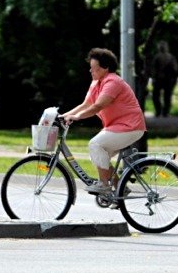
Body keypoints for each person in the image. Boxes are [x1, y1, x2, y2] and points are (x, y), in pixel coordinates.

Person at [60, 48, 146, 195]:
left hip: (130, 127)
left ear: (106, 68)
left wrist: (77, 117)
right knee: (99, 156)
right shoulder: (97, 82)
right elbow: (86, 104)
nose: (90, 71)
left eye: (95, 68)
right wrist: (63, 116)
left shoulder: (113, 81)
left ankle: (104, 184)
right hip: (117, 127)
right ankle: (121, 188)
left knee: (95, 145)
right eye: (91, 68)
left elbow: (98, 106)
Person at [150, 40, 178, 117]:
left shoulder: (157, 57)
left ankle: (159, 111)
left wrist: (153, 78)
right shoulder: (171, 57)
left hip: (160, 79)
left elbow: (153, 69)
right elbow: (175, 69)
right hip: (167, 79)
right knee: (166, 96)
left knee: (157, 96)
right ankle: (164, 112)